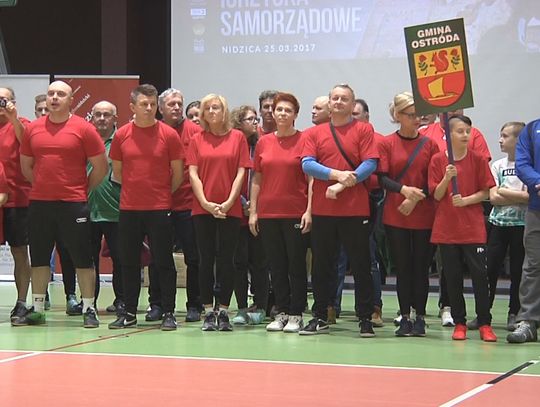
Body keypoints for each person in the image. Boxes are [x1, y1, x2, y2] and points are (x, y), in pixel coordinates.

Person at [16, 80, 108, 328]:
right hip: (40, 205)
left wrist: (81, 190)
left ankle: (89, 307)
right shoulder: (33, 129)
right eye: (51, 94)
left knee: (82, 258)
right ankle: (36, 309)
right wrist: (44, 186)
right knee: (39, 258)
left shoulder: (84, 129)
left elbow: (101, 167)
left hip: (74, 205)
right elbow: (26, 166)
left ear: (70, 100)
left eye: (60, 94)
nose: (54, 97)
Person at [300, 84, 378, 337]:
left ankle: (365, 318)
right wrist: (337, 175)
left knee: (361, 265)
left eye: (344, 99)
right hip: (324, 211)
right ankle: (320, 315)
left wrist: (342, 185)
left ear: (352, 103)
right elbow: (308, 164)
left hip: (355, 211)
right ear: (330, 102)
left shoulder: (364, 130)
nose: (338, 102)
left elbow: (370, 163)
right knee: (322, 266)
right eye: (335, 98)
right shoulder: (314, 133)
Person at [108, 84, 184, 331]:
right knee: (129, 262)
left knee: (163, 262)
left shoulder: (169, 135)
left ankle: (169, 312)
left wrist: (160, 195)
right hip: (129, 209)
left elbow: (177, 175)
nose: (149, 108)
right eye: (144, 104)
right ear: (133, 107)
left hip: (159, 208)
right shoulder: (121, 135)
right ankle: (129, 312)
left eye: (152, 104)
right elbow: (117, 173)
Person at [186, 93, 251, 332]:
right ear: (203, 114)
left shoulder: (237, 138)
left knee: (227, 261)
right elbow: (193, 173)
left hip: (229, 209)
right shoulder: (197, 139)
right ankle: (207, 310)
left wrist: (229, 201)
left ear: (225, 112)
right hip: (202, 209)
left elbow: (241, 172)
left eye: (217, 108)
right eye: (208, 109)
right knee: (205, 260)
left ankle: (223, 309)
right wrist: (204, 202)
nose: (212, 112)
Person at [428, 114, 497, 342]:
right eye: (460, 131)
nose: (465, 135)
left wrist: (466, 200)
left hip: (473, 228)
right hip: (447, 229)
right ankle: (460, 322)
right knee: (453, 276)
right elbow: (436, 195)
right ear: (448, 134)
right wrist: (447, 179)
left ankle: (485, 322)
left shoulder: (477, 159)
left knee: (479, 275)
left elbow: (486, 191)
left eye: (468, 131)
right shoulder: (439, 160)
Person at [249, 92, 312, 333]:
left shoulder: (304, 140)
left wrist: (309, 210)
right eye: (279, 110)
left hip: (295, 211)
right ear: (272, 113)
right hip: (268, 213)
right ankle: (282, 312)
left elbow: (311, 180)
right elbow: (257, 178)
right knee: (276, 266)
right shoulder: (264, 142)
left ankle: (296, 313)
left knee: (295, 265)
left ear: (295, 114)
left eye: (288, 110)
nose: (282, 114)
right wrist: (254, 212)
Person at [378, 92, 439, 337]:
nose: (417, 119)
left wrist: (415, 197)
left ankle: (420, 316)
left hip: (423, 213)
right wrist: (404, 191)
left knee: (421, 267)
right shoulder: (386, 143)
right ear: (398, 115)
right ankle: (404, 315)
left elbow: (433, 180)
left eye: (419, 114)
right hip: (396, 213)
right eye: (411, 115)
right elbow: (381, 177)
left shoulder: (430, 144)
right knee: (402, 268)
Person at [157, 88, 203, 323]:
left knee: (193, 257)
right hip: (159, 204)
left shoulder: (195, 132)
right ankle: (160, 304)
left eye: (179, 103)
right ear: (161, 108)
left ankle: (195, 304)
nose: (176, 107)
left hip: (188, 204)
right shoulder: (154, 130)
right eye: (171, 104)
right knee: (160, 256)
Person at [482, 122, 528, 332]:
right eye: (500, 135)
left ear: (518, 140)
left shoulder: (528, 166)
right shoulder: (497, 166)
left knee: (518, 271)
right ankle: (484, 314)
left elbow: (527, 197)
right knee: (489, 269)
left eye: (505, 136)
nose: (500, 139)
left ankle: (514, 313)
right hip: (498, 225)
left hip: (521, 225)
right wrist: (512, 196)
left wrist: (504, 192)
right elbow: (492, 197)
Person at [230, 105, 268, 326]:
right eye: (250, 119)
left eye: (256, 119)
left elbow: (262, 177)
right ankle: (242, 307)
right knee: (238, 262)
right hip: (236, 210)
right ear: (238, 121)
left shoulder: (260, 144)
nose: (255, 123)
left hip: (258, 211)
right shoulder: (233, 144)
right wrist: (243, 202)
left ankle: (261, 306)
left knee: (260, 262)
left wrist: (254, 205)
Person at [88, 101, 123, 315]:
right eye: (98, 114)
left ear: (115, 119)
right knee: (88, 261)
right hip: (87, 210)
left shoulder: (122, 140)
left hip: (116, 210)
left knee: (121, 260)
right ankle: (89, 302)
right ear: (92, 117)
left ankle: (122, 300)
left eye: (106, 115)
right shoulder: (84, 139)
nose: (102, 118)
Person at [0, 87, 32, 323]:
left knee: (19, 250)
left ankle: (21, 303)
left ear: (12, 101)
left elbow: (29, 145)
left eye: (4, 99)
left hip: (17, 198)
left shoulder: (21, 123)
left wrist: (12, 118)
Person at [507, 117, 540, 343]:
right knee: (533, 265)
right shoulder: (531, 129)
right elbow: (522, 164)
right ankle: (528, 320)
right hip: (536, 208)